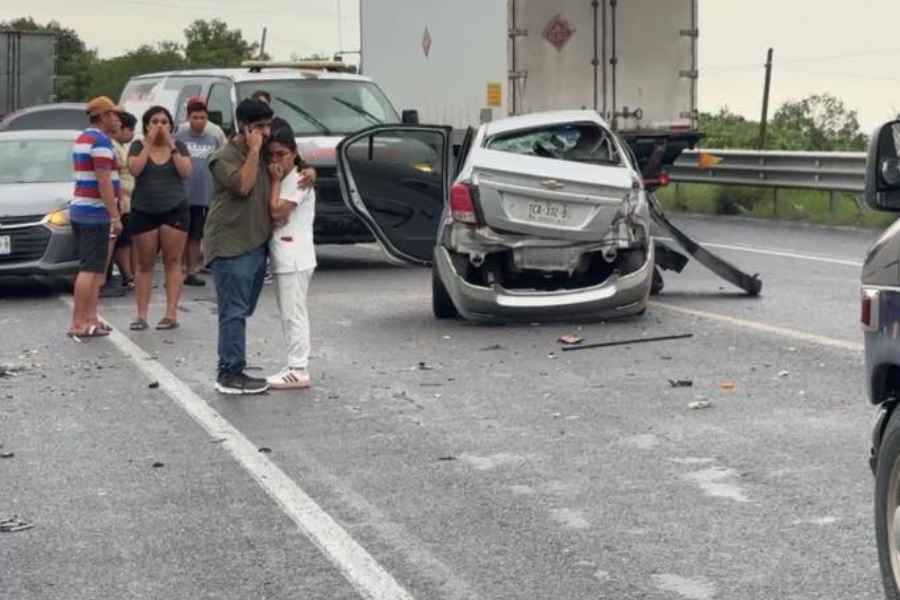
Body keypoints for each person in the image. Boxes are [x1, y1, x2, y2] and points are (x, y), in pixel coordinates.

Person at [205, 99, 317, 395]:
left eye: (268, 126)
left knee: (244, 308)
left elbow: (289, 157)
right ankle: (229, 373)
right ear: (243, 127)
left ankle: (235, 365)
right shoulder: (223, 157)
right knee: (234, 311)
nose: (266, 133)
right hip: (230, 244)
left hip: (257, 244)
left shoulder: (269, 150)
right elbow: (243, 186)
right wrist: (253, 151)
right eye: (259, 127)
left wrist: (308, 169)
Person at [127, 106, 193, 332]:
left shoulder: (179, 146)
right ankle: (141, 315)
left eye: (164, 122)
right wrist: (148, 143)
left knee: (172, 262)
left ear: (171, 126)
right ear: (146, 125)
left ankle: (170, 314)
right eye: (154, 121)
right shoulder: (137, 145)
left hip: (174, 209)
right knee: (144, 264)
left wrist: (171, 145)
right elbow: (135, 169)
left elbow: (186, 172)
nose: (159, 126)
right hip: (144, 210)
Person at [265, 120, 316, 389]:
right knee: (288, 313)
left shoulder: (299, 179)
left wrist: (274, 181)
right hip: (284, 255)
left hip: (295, 256)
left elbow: (277, 211)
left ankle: (299, 368)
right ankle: (293, 363)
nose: (276, 160)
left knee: (294, 313)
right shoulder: (290, 177)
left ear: (294, 152)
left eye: (281, 154)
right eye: (272, 155)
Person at [67, 96, 123, 339]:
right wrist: (115, 215)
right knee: (89, 270)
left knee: (96, 269)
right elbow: (103, 181)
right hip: (94, 213)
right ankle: (78, 322)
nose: (116, 119)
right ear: (102, 116)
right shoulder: (100, 141)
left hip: (82, 209)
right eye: (112, 114)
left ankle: (90, 318)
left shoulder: (83, 137)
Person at [176, 97, 221, 287]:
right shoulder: (179, 139)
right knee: (179, 235)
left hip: (203, 197)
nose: (199, 121)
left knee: (196, 235)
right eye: (195, 117)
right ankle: (177, 270)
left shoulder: (212, 140)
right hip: (181, 196)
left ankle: (192, 270)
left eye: (203, 118)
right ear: (188, 118)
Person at [107, 111, 137, 292]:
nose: (132, 134)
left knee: (125, 241)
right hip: (121, 201)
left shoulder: (121, 146)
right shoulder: (112, 146)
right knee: (122, 242)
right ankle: (127, 276)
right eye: (130, 130)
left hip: (127, 201)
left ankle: (129, 275)